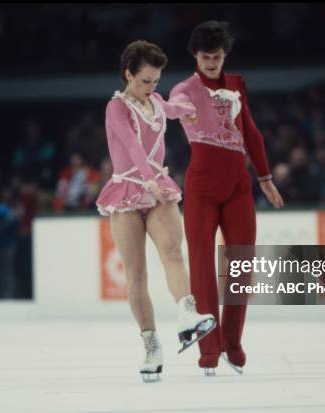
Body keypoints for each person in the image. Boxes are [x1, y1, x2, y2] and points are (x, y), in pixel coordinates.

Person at [95, 40, 215, 382]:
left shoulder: (155, 100)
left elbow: (171, 108)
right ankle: (151, 345)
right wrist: (149, 179)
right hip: (128, 190)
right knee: (137, 275)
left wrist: (187, 108)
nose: (151, 87)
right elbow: (132, 146)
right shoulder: (115, 108)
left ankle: (187, 315)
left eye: (156, 81)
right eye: (145, 81)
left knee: (174, 251)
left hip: (157, 187)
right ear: (128, 74)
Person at [170, 21, 284, 375]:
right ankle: (209, 347)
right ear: (195, 55)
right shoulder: (184, 90)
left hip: (238, 185)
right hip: (201, 187)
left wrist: (264, 177)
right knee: (203, 265)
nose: (212, 63)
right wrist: (174, 108)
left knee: (241, 264)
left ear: (225, 55)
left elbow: (250, 130)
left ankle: (232, 341)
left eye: (217, 57)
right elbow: (171, 108)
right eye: (206, 57)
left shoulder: (236, 85)